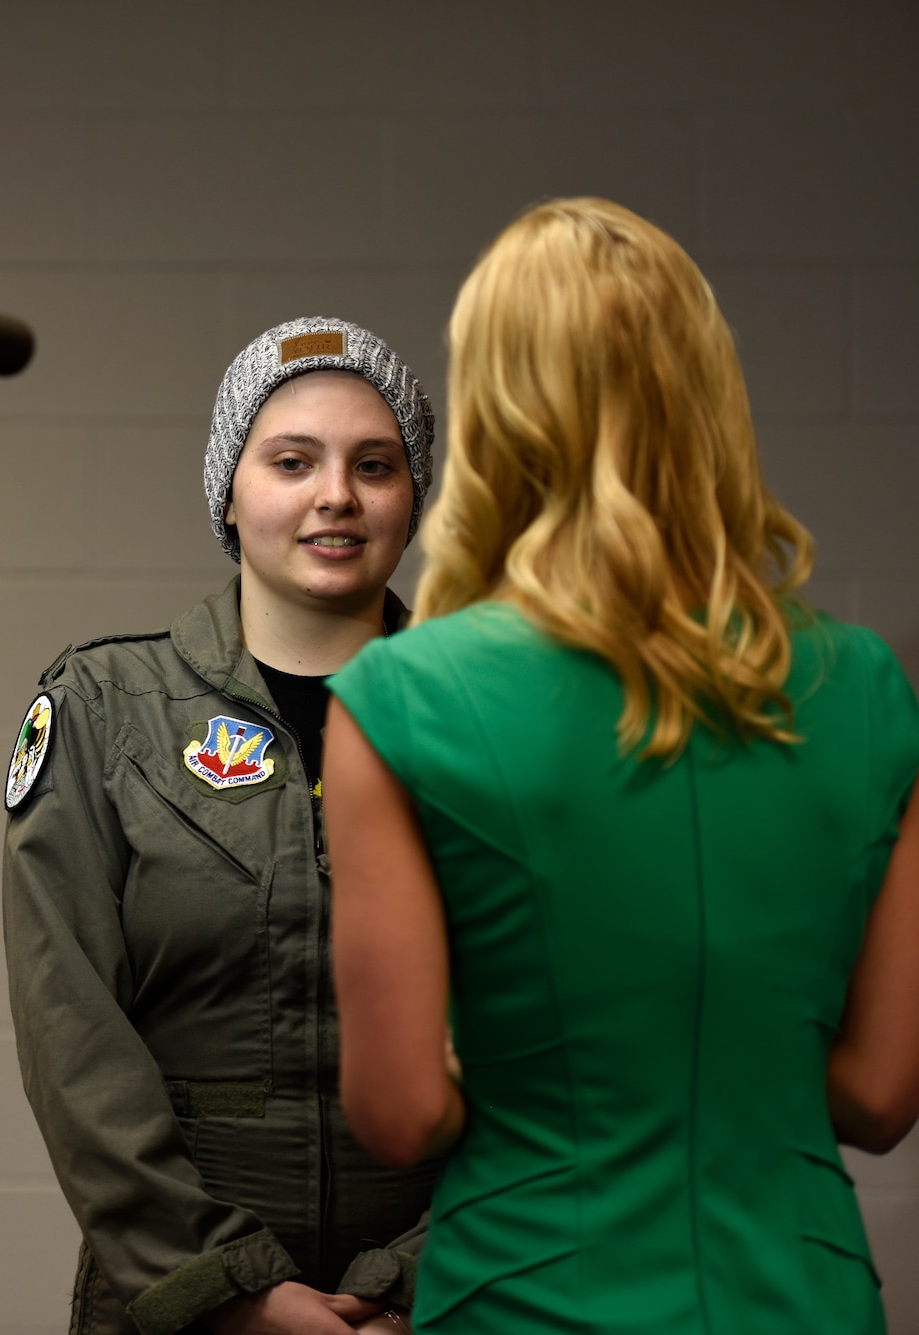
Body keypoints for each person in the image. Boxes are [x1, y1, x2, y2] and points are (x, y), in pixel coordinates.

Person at [324, 197, 919, 1332]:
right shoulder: (870, 692)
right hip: (799, 1298)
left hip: (531, 1293)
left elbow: (397, 1115)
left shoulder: (406, 696)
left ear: (497, 404)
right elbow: (883, 1096)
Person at [3, 317, 442, 1335]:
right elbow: (68, 1027)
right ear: (229, 491)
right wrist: (223, 1287)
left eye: (372, 465)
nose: (334, 494)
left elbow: (552, 1050)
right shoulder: (105, 709)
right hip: (174, 1303)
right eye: (291, 461)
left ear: (409, 494)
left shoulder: (492, 722)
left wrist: (421, 1281)